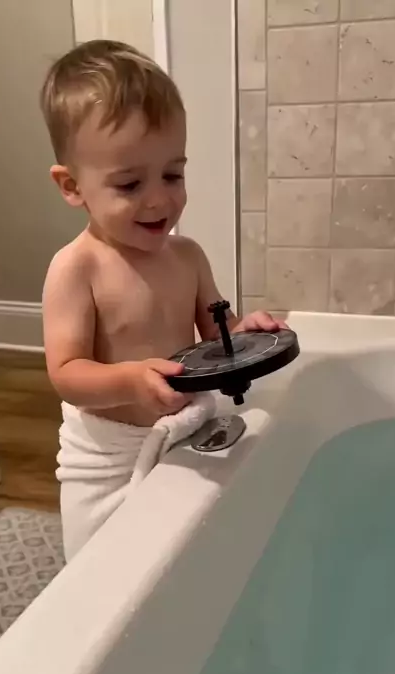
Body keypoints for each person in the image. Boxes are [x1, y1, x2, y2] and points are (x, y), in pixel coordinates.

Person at [40, 39, 285, 561]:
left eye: (173, 174)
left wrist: (245, 336)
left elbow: (218, 335)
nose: (159, 199)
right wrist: (129, 380)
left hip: (181, 432)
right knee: (103, 571)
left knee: (182, 556)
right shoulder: (76, 268)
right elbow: (66, 373)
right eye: (130, 184)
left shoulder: (188, 256)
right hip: (106, 457)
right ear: (72, 186)